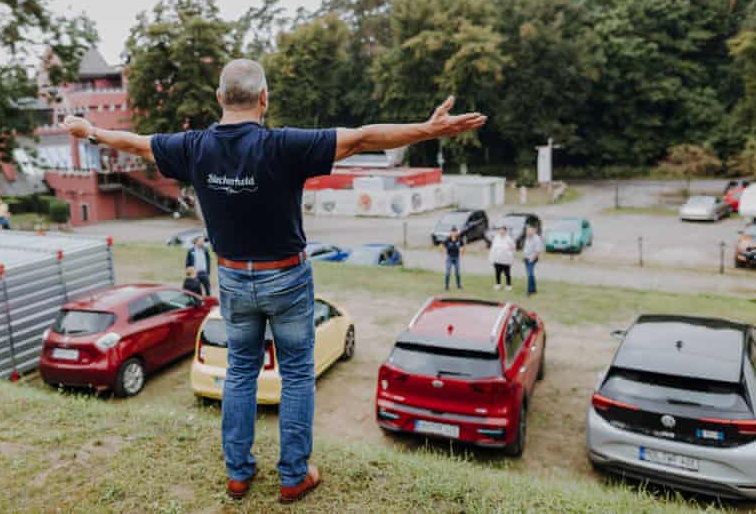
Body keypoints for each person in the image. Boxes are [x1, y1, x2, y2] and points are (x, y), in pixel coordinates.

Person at [61, 59, 486, 503]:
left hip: (230, 277)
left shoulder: (194, 147)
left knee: (241, 371)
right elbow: (362, 137)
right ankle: (293, 476)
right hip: (285, 277)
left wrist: (90, 132)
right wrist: (428, 129)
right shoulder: (284, 145)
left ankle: (239, 475)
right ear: (264, 98)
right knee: (298, 374)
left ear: (219, 98)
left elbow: (140, 144)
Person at [489, 226, 515, 291]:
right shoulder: (496, 238)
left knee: (507, 274)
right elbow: (493, 248)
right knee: (497, 273)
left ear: (505, 231)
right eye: (500, 230)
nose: (501, 232)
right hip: (497, 259)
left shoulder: (509, 239)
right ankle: (498, 284)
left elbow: (513, 248)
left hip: (506, 260)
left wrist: (510, 257)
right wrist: (491, 258)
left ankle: (508, 285)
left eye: (503, 230)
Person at [522, 225, 543, 296]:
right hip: (526, 258)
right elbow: (526, 247)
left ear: (534, 231)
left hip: (532, 259)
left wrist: (532, 260)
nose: (528, 232)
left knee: (530, 275)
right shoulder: (527, 238)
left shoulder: (537, 239)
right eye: (527, 231)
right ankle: (534, 290)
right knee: (530, 275)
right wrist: (524, 256)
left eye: (530, 231)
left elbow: (537, 251)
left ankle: (529, 292)